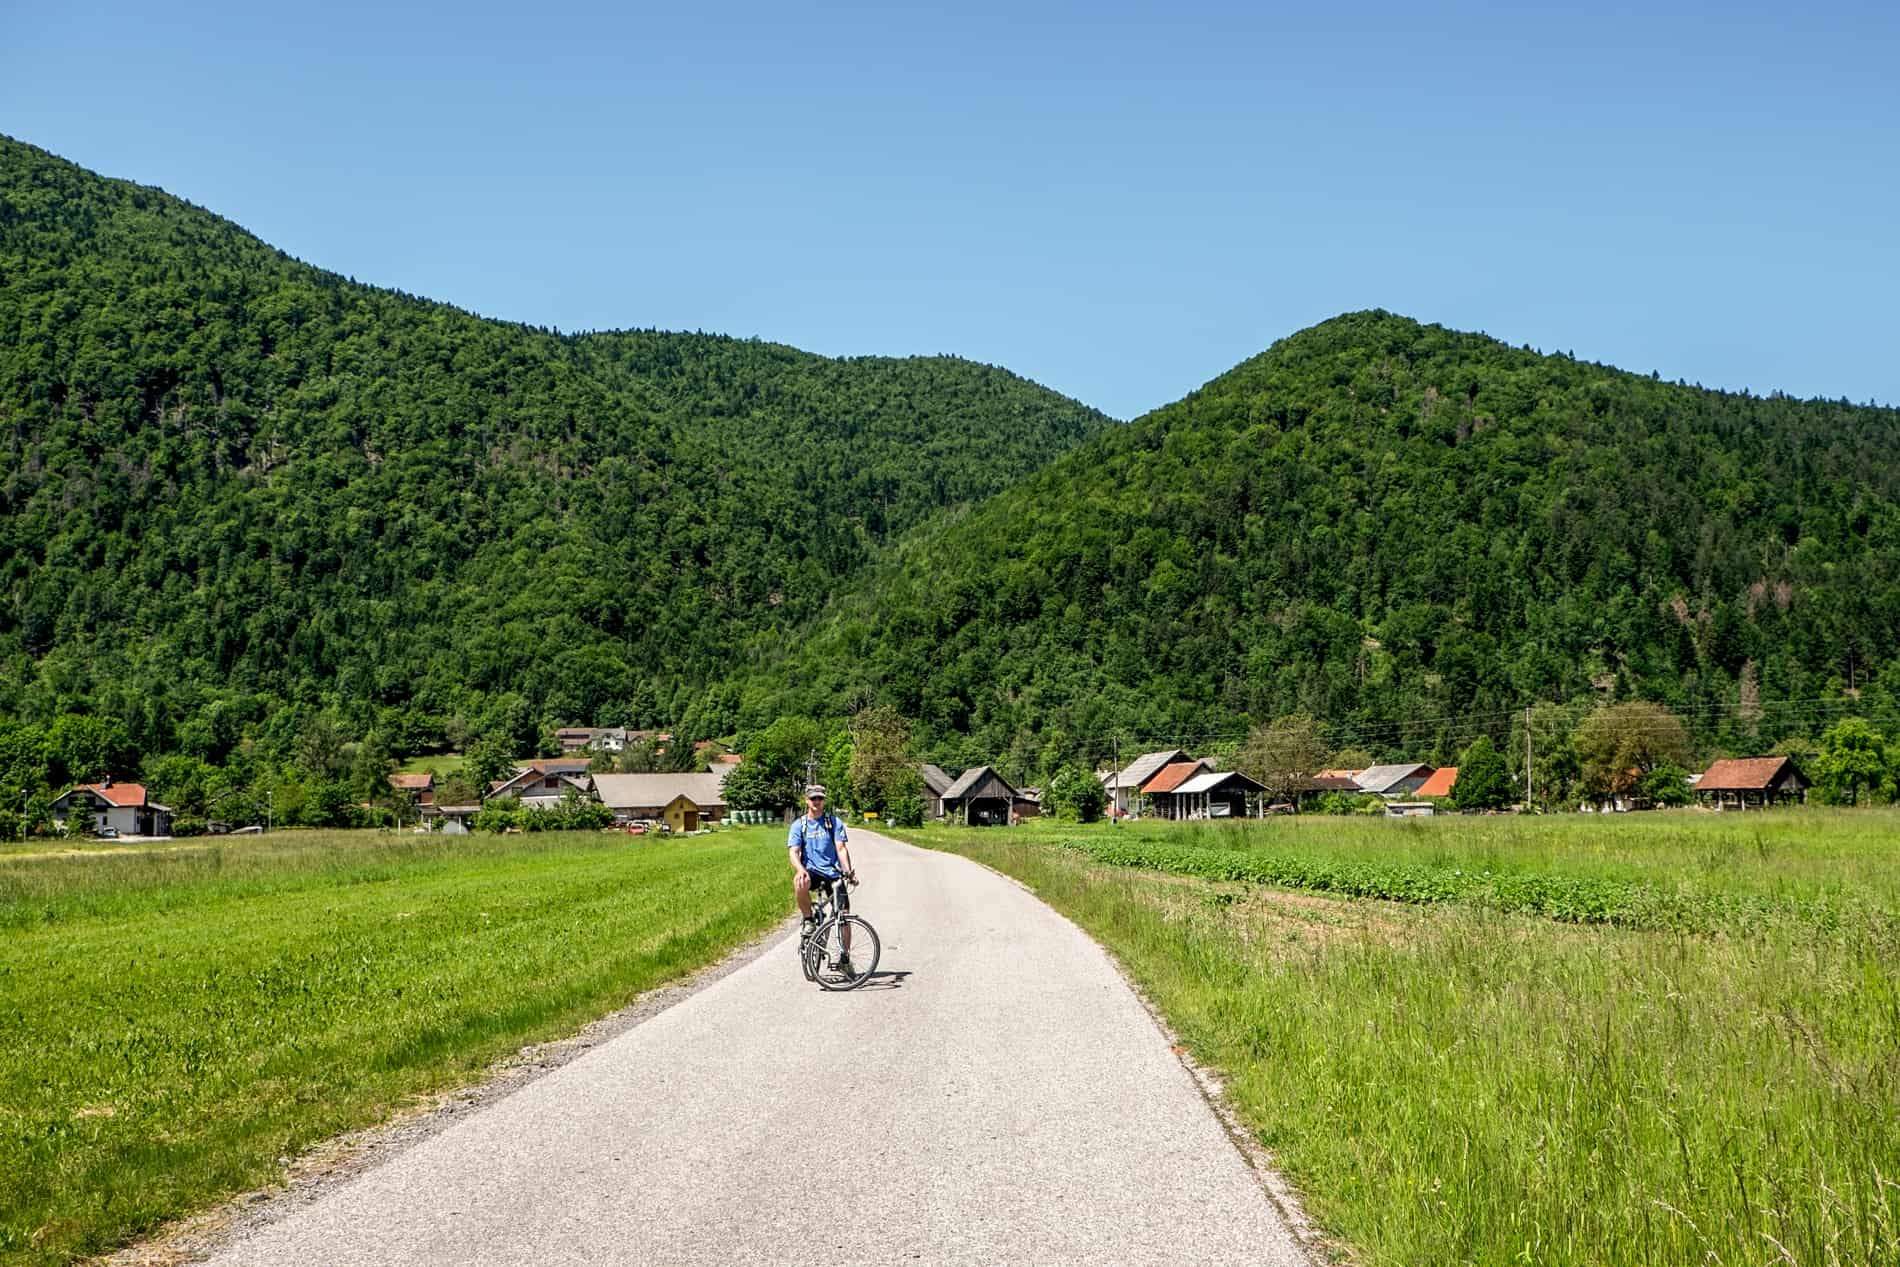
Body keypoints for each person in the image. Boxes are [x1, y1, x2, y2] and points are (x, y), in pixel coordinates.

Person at [787, 784, 858, 969]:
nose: (817, 802)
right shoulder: (799, 825)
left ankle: (845, 957)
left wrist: (848, 871)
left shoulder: (833, 822)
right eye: (813, 799)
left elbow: (841, 848)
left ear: (824, 800)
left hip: (833, 873)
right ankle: (809, 919)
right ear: (807, 801)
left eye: (820, 798)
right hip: (811, 871)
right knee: (799, 882)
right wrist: (800, 869)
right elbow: (794, 852)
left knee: (844, 915)